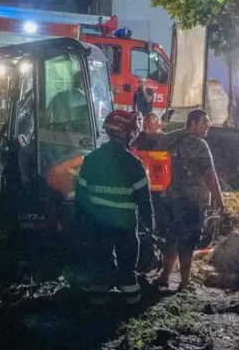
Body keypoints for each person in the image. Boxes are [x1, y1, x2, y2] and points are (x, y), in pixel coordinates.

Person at [75, 110, 155, 305]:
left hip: (98, 225)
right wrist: (151, 227)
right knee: (127, 270)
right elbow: (145, 199)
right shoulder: (133, 163)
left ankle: (96, 311)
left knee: (100, 267)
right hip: (125, 226)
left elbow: (81, 197)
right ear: (123, 133)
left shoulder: (92, 159)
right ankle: (132, 311)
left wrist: (83, 224)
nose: (133, 136)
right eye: (132, 132)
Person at [153, 109, 224, 292]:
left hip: (167, 199)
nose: (208, 126)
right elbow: (209, 175)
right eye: (204, 122)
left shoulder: (166, 139)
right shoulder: (199, 145)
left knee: (171, 237)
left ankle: (164, 276)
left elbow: (155, 167)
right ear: (193, 123)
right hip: (192, 202)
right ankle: (185, 282)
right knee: (188, 241)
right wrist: (219, 199)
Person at [130, 113, 165, 273]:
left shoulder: (166, 141)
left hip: (161, 188)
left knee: (159, 218)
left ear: (159, 125)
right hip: (142, 186)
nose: (146, 129)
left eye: (149, 126)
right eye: (144, 126)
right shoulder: (139, 140)